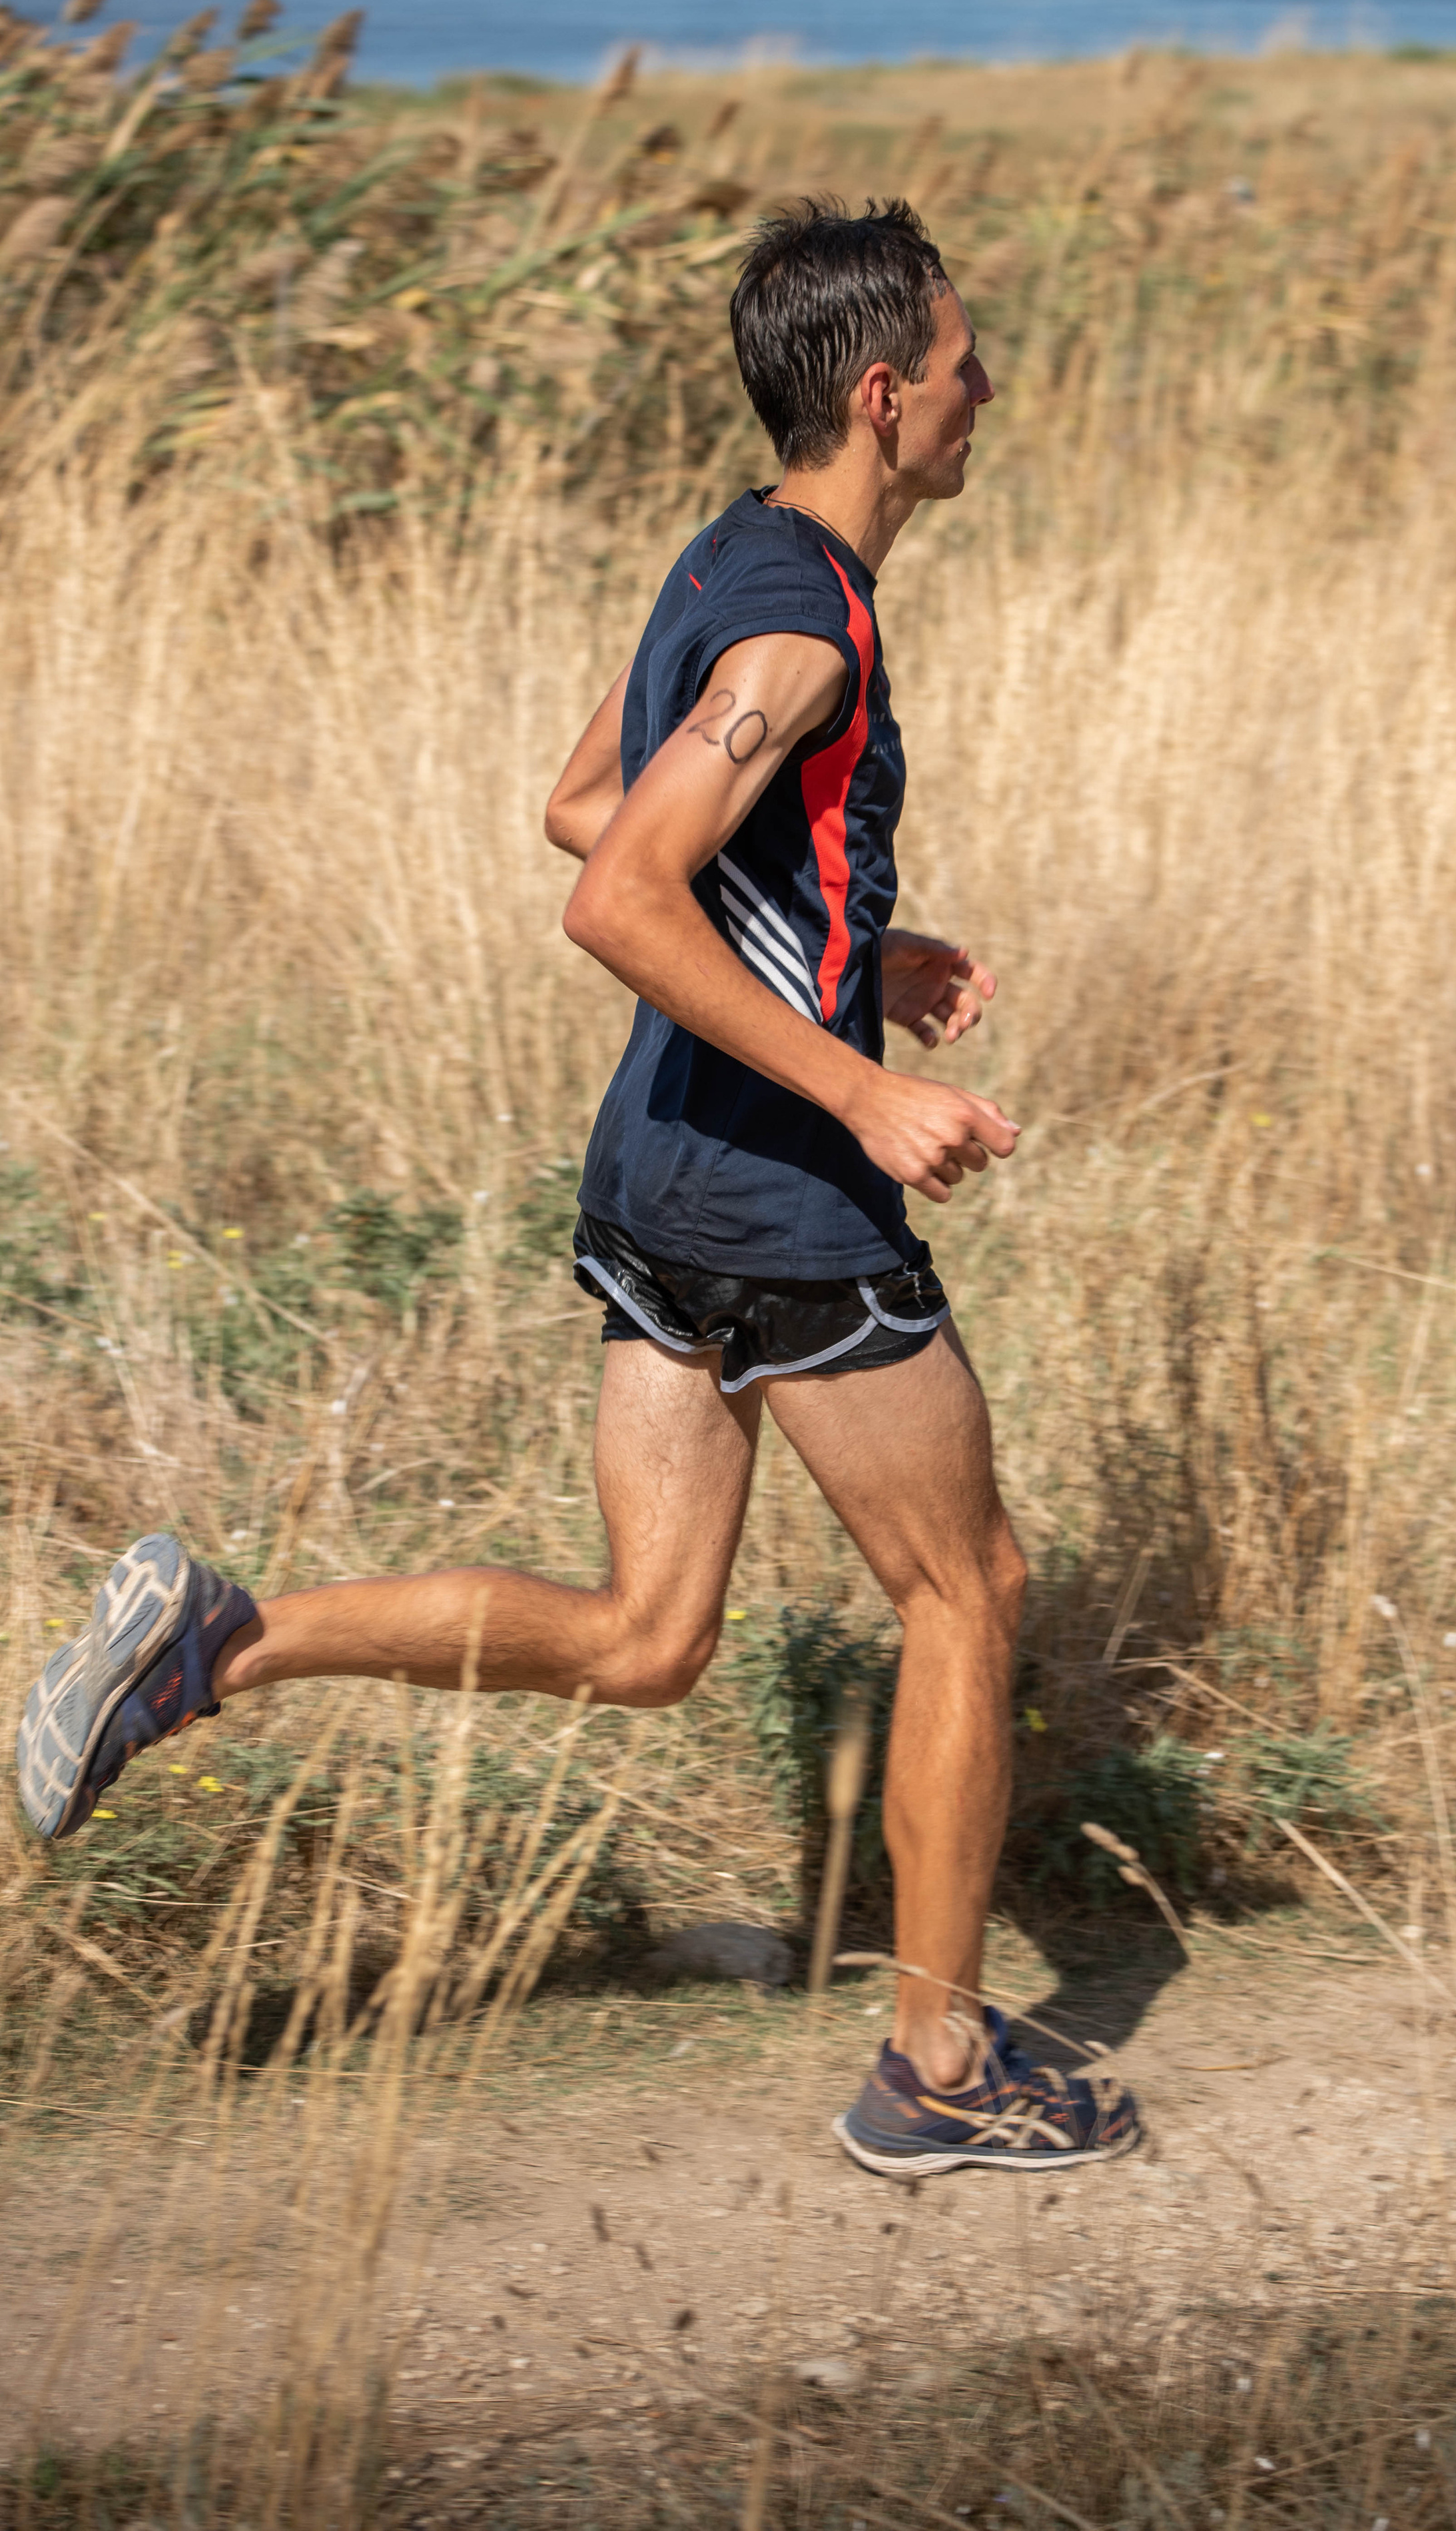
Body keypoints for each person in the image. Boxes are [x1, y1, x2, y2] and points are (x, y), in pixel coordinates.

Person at [17, 198, 1137, 2177]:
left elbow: (589, 798)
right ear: (885, 398)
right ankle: (942, 2068)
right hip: (781, 1192)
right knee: (976, 1586)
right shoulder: (808, 627)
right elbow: (611, 890)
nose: (991, 392)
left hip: (657, 1166)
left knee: (647, 1634)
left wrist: (851, 946)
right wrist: (864, 1089)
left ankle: (220, 1638)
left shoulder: (731, 553)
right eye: (967, 364)